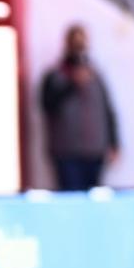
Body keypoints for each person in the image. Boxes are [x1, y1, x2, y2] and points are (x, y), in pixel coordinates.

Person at [40, 25, 119, 192]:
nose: (79, 46)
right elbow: (47, 105)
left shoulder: (95, 75)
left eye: (82, 42)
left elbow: (107, 110)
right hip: (66, 152)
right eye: (75, 42)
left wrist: (114, 142)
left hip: (95, 151)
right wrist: (71, 85)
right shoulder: (55, 75)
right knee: (71, 198)